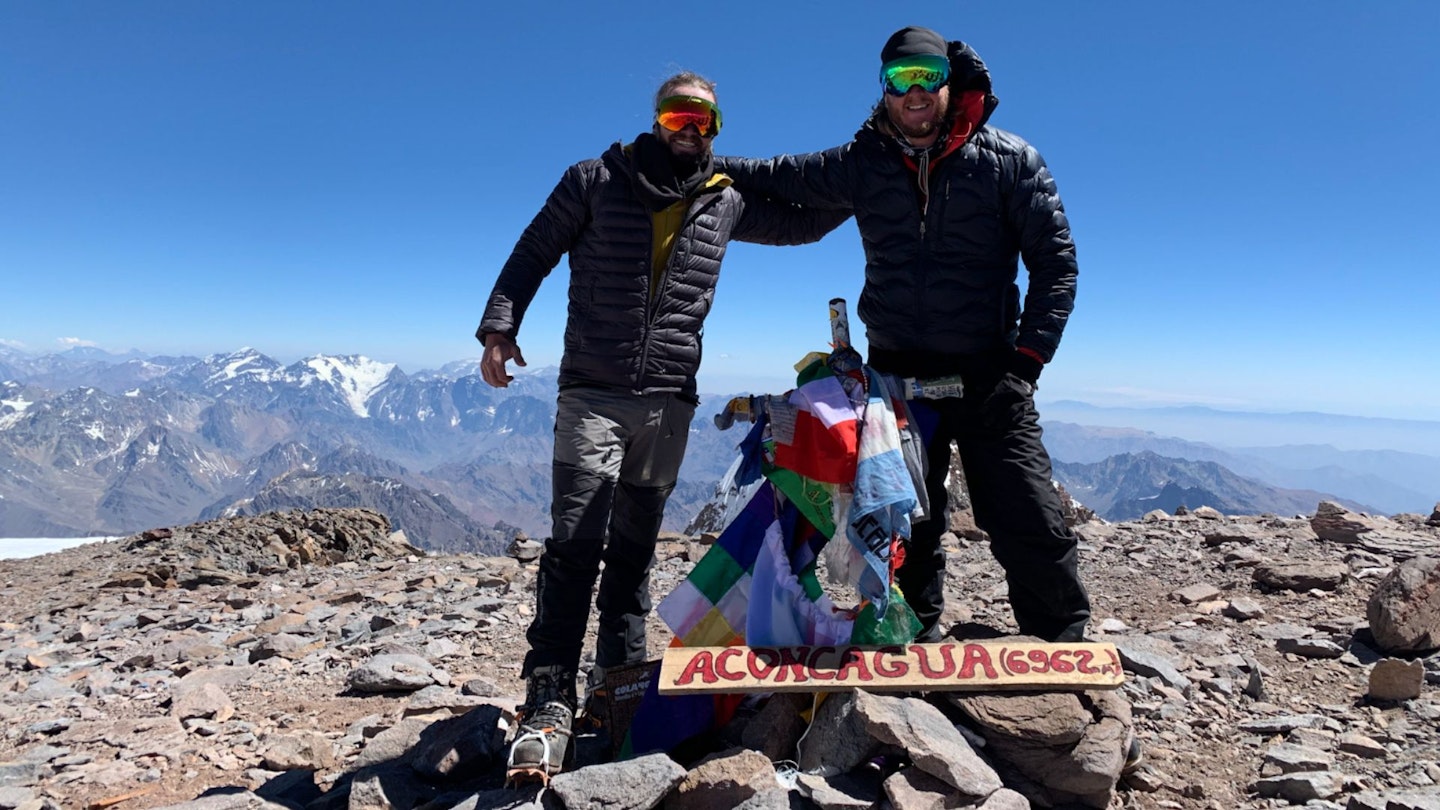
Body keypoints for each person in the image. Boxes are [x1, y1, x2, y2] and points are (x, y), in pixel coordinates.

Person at [476, 72, 847, 778]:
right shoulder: (594, 180)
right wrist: (500, 328)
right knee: (575, 546)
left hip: (668, 404)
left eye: (705, 121)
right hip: (592, 393)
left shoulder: (725, 201)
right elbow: (533, 252)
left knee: (635, 552)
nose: (691, 130)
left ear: (716, 129)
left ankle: (616, 688)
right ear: (656, 119)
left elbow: (800, 223)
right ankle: (549, 697)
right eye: (679, 116)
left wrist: (867, 187)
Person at [715, 26, 1091, 645]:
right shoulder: (864, 164)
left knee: (1025, 511)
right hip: (896, 377)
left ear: (949, 80)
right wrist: (701, 162)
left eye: (926, 76)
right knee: (902, 517)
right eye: (899, 79)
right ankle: (911, 637)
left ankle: (1065, 647)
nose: (913, 91)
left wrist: (1025, 365)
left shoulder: (1009, 162)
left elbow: (1056, 264)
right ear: (884, 88)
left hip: (990, 370)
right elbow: (784, 176)